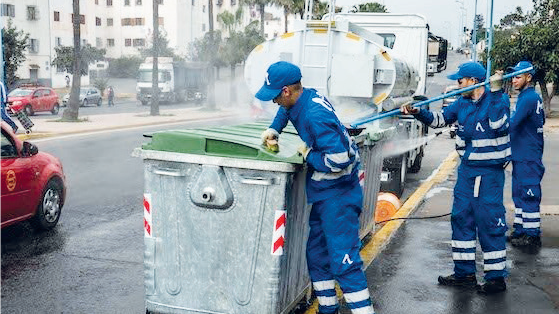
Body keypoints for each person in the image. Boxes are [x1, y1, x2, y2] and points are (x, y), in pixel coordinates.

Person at [257, 61, 374, 314]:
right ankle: (327, 310)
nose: (274, 102)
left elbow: (339, 158)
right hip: (324, 195)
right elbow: (287, 112)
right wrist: (273, 129)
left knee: (344, 262)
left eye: (275, 96)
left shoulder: (314, 115)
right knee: (317, 257)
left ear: (286, 90)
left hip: (340, 197)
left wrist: (308, 154)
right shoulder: (304, 97)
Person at [401, 61, 510, 294]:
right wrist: (418, 112)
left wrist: (498, 91)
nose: (458, 85)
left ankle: (496, 278)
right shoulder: (462, 102)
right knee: (461, 218)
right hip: (467, 170)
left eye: (460, 81)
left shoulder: (496, 100)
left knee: (489, 221)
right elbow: (440, 119)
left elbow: (499, 125)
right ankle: (464, 274)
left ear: (472, 81)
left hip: (488, 172)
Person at [506, 61, 545, 249]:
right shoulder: (528, 96)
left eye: (518, 76)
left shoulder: (528, 98)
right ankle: (521, 229)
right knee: (519, 194)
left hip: (528, 155)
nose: (514, 80)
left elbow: (512, 124)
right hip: (522, 154)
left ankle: (532, 234)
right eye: (513, 76)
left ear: (528, 78)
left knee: (528, 194)